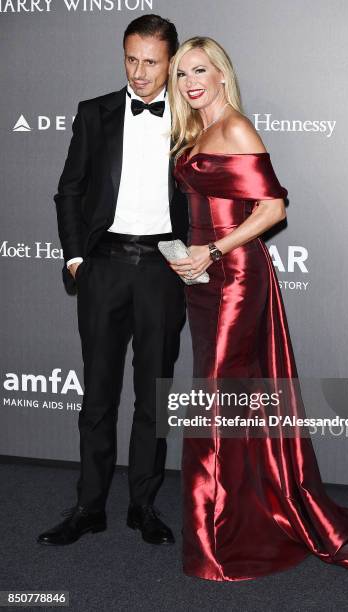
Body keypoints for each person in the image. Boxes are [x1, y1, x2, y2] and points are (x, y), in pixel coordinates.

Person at [167, 36, 348, 581]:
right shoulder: (195, 130)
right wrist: (192, 255)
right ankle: (243, 511)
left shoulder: (236, 127)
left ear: (221, 73)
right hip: (201, 277)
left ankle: (215, 535)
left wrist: (214, 250)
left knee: (217, 401)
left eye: (201, 70)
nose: (191, 82)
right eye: (182, 74)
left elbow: (273, 208)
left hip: (236, 276)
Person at [37, 15, 188, 547]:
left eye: (151, 62)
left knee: (155, 396)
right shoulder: (95, 112)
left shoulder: (192, 119)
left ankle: (143, 507)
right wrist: (77, 258)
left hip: (163, 270)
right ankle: (88, 506)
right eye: (130, 59)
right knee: (97, 394)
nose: (139, 72)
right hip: (102, 266)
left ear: (170, 62)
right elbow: (69, 190)